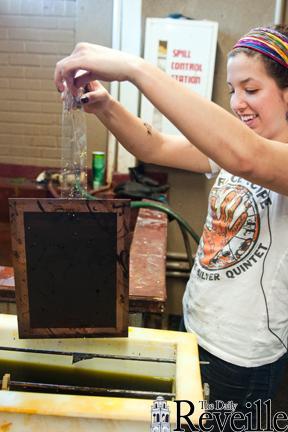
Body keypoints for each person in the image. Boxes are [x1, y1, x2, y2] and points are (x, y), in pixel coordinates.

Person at [54, 25, 288, 429]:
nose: (237, 103)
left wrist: (134, 68)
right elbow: (154, 146)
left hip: (243, 356)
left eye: (251, 89)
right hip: (195, 327)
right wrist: (105, 105)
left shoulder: (256, 153)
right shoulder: (236, 146)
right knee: (176, 424)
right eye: (232, 90)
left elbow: (248, 157)